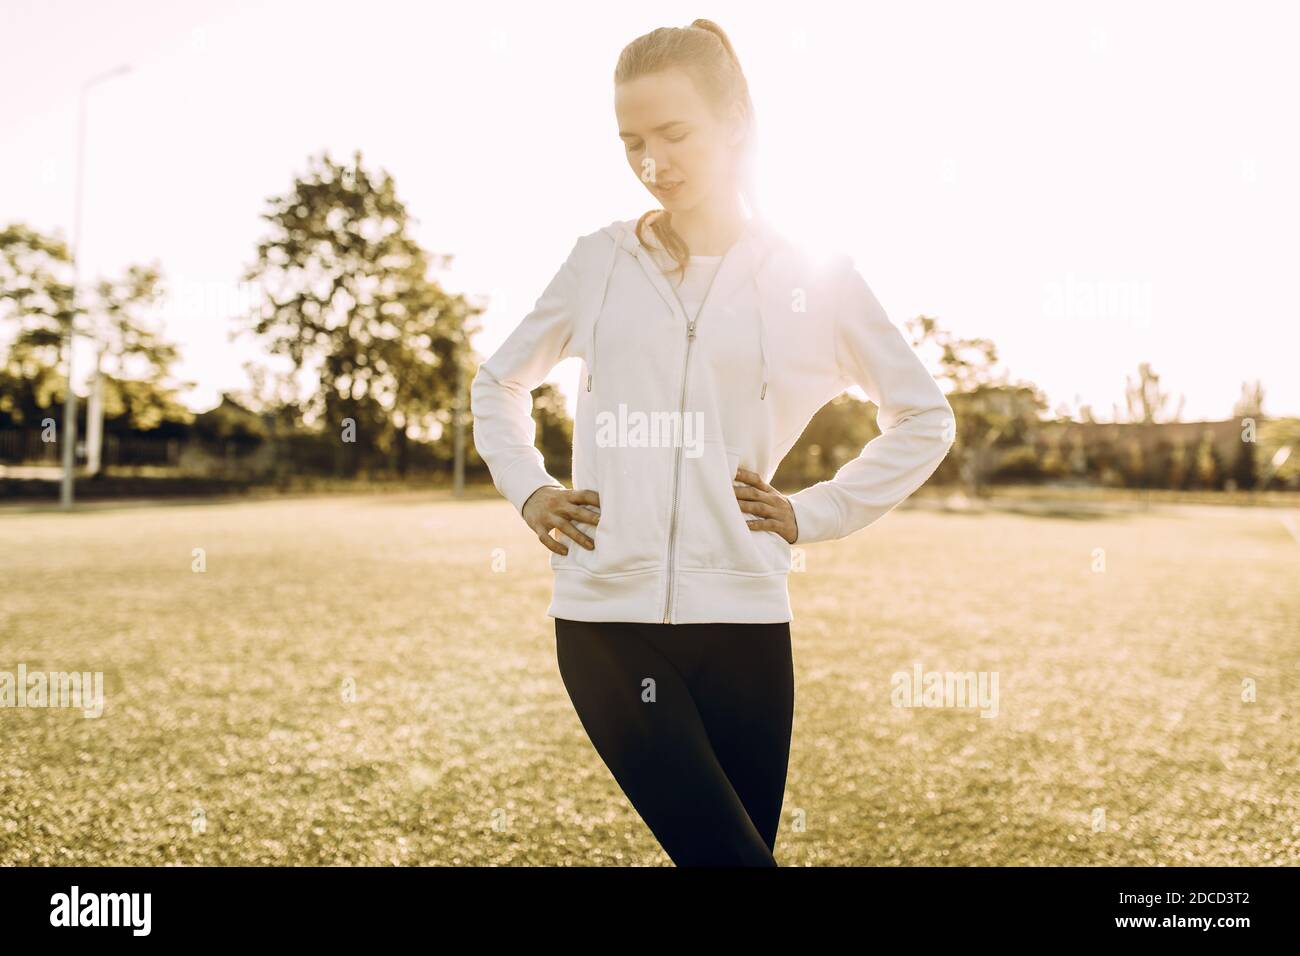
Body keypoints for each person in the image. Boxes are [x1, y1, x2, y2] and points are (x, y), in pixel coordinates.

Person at [470, 19, 956, 866]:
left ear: (737, 126)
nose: (652, 161)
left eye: (675, 133)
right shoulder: (599, 262)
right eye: (631, 142)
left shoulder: (815, 275)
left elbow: (924, 415)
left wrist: (819, 512)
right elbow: (498, 380)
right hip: (607, 622)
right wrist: (531, 487)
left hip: (747, 624)